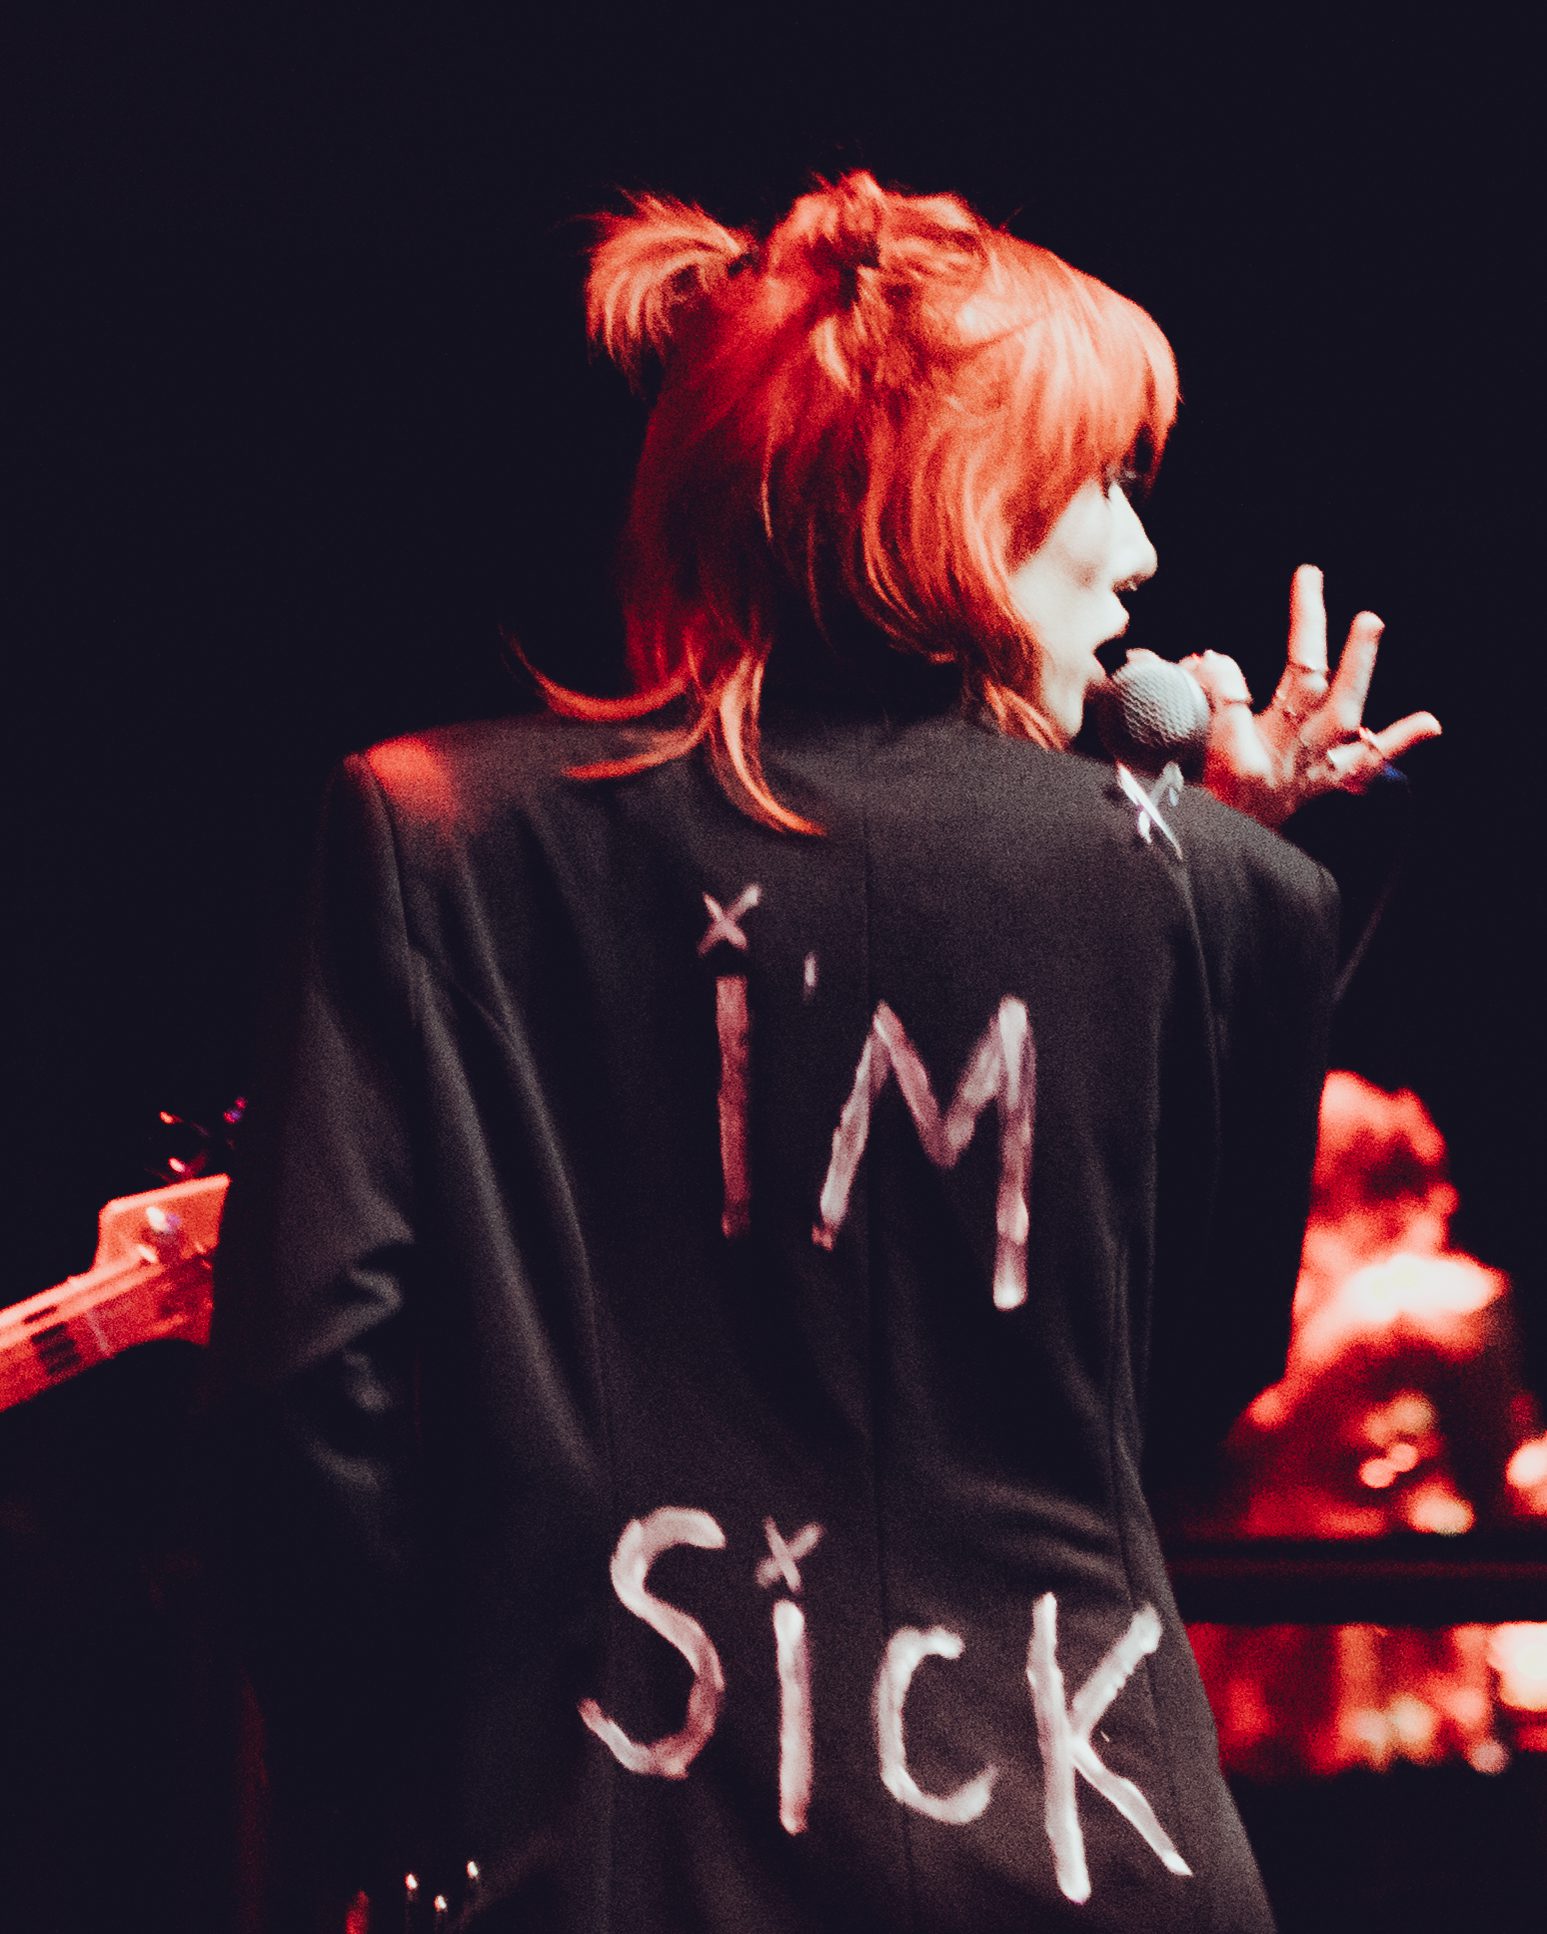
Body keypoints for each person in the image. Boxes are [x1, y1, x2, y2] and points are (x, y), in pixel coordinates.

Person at [210, 171, 1437, 1932]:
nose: (1139, 554)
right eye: (1097, 479)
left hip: (608, 1861)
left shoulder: (433, 838)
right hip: (1100, 1858)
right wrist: (1219, 881)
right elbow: (1169, 1403)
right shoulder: (1226, 890)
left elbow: (311, 1407)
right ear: (955, 494)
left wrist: (426, 1774)